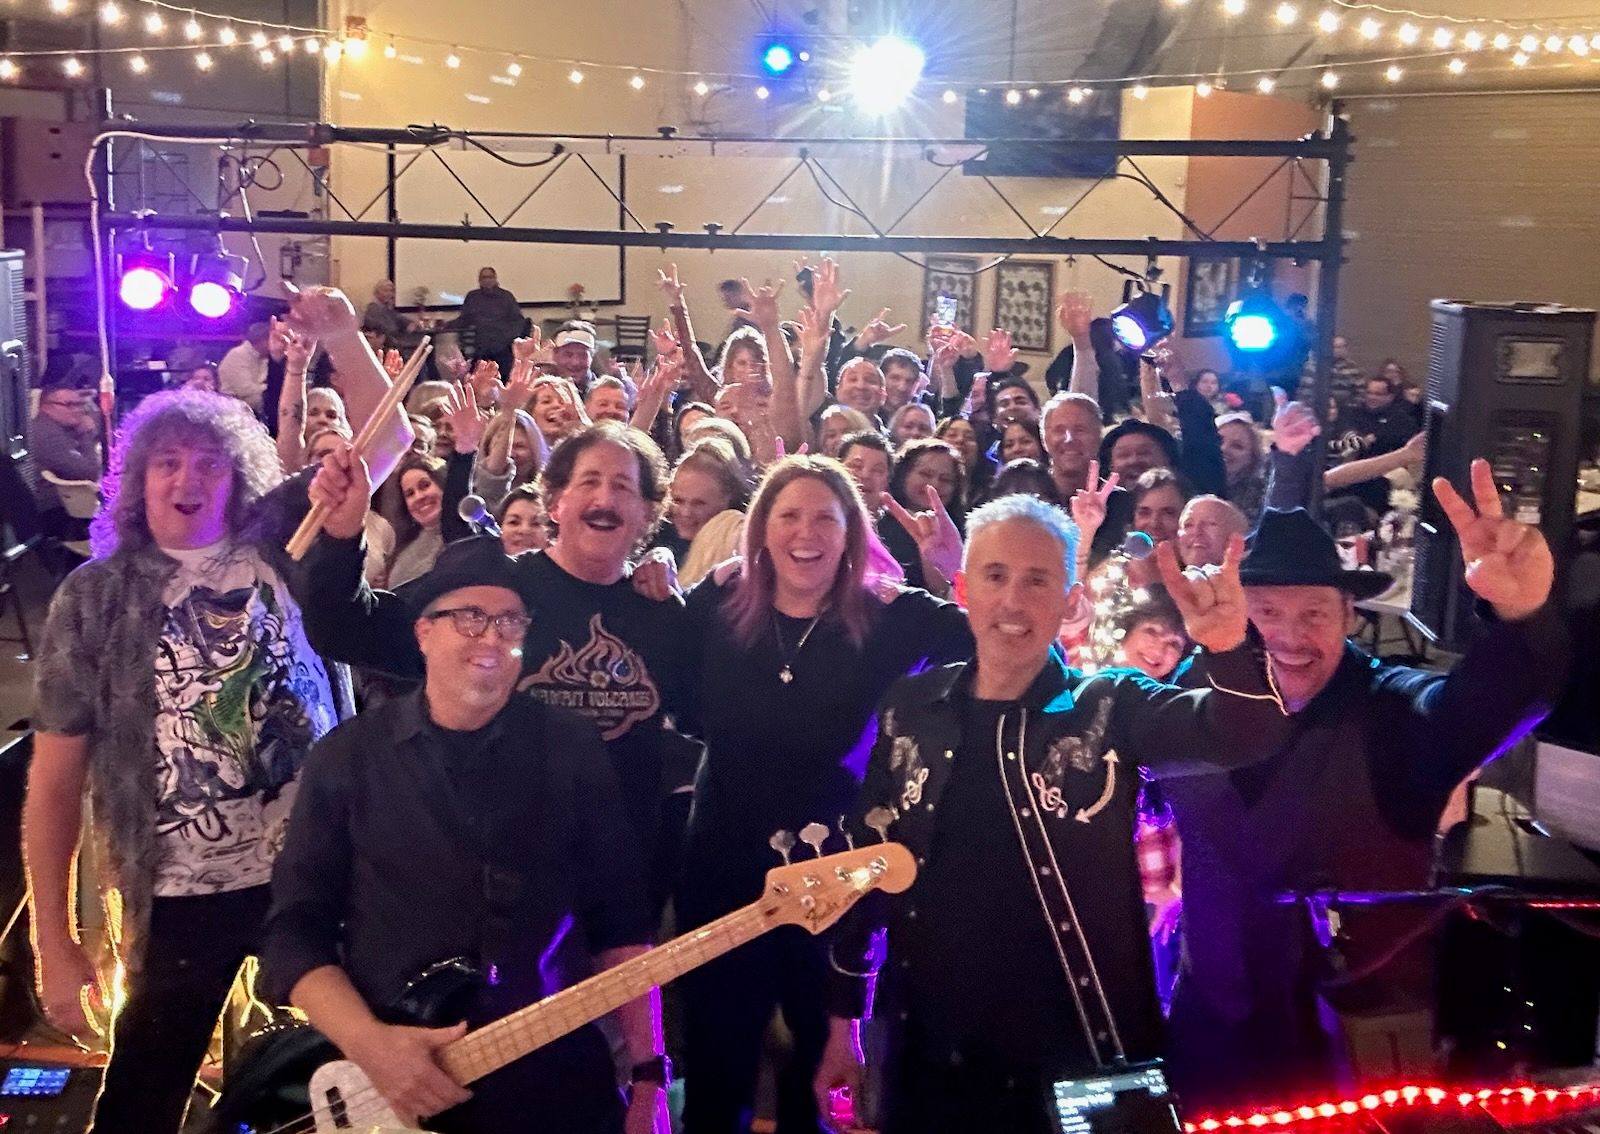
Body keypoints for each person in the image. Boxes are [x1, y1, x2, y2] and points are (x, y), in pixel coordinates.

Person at [816, 493, 1295, 1134]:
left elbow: (1247, 735)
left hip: (1082, 1065)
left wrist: (1229, 646)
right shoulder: (911, 706)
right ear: (964, 590)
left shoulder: (1109, 705)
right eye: (995, 576)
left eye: (1037, 580)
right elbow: (864, 873)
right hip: (929, 1059)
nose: (1013, 601)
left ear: (1071, 602)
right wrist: (843, 1027)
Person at [1162, 489, 1569, 1108]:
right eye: (1266, 612)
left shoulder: (1391, 710)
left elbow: (1476, 709)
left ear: (1349, 615)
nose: (1288, 636)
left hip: (1355, 1057)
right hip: (1214, 1040)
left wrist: (1522, 619)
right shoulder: (1197, 697)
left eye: (1314, 613)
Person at [262, 537, 666, 1134]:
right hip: (400, 1084)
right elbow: (295, 934)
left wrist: (650, 1076)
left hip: (553, 1076)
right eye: (470, 617)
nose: (492, 638)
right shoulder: (348, 758)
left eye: (510, 622)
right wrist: (371, 1044)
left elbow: (621, 922)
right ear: (423, 633)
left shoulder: (570, 747)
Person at [24, 391, 346, 1134]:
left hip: (315, 874)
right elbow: (54, 783)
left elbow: (385, 442)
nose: (186, 479)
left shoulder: (285, 551)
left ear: (239, 479)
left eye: (209, 463)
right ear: (138, 479)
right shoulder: (95, 597)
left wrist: (336, 340)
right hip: (179, 894)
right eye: (166, 462)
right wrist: (55, 942)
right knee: (142, 1101)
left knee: (350, 1081)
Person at [677, 456, 973, 1134]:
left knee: (822, 1073)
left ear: (850, 534)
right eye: (788, 515)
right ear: (761, 529)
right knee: (718, 1069)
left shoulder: (891, 616)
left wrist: (949, 574)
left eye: (824, 519)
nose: (805, 533)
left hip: (837, 878)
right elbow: (650, 651)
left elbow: (997, 651)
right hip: (722, 867)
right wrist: (657, 575)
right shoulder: (715, 607)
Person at [294, 422, 699, 906]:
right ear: (555, 502)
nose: (604, 499)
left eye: (623, 487)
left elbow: (707, 714)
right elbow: (344, 628)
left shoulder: (663, 613)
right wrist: (342, 537)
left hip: (620, 887)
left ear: (648, 512)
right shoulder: (495, 592)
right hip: (497, 892)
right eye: (589, 481)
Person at [28, 384, 101, 531]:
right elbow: (88, 472)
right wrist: (85, 434)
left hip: (68, 506)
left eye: (79, 405)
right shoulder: (45, 434)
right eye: (69, 405)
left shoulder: (59, 427)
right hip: (57, 513)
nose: (78, 410)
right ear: (46, 407)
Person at [454, 267, 524, 378]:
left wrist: (507, 339)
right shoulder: (473, 297)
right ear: (479, 280)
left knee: (503, 378)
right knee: (478, 379)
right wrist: (445, 326)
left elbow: (518, 322)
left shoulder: (506, 297)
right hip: (480, 347)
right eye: (484, 277)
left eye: (490, 277)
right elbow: (464, 320)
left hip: (503, 347)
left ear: (495, 279)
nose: (487, 280)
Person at [217, 321, 276, 416]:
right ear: (263, 341)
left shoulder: (266, 358)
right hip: (234, 412)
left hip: (256, 411)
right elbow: (245, 390)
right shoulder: (237, 355)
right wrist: (272, 389)